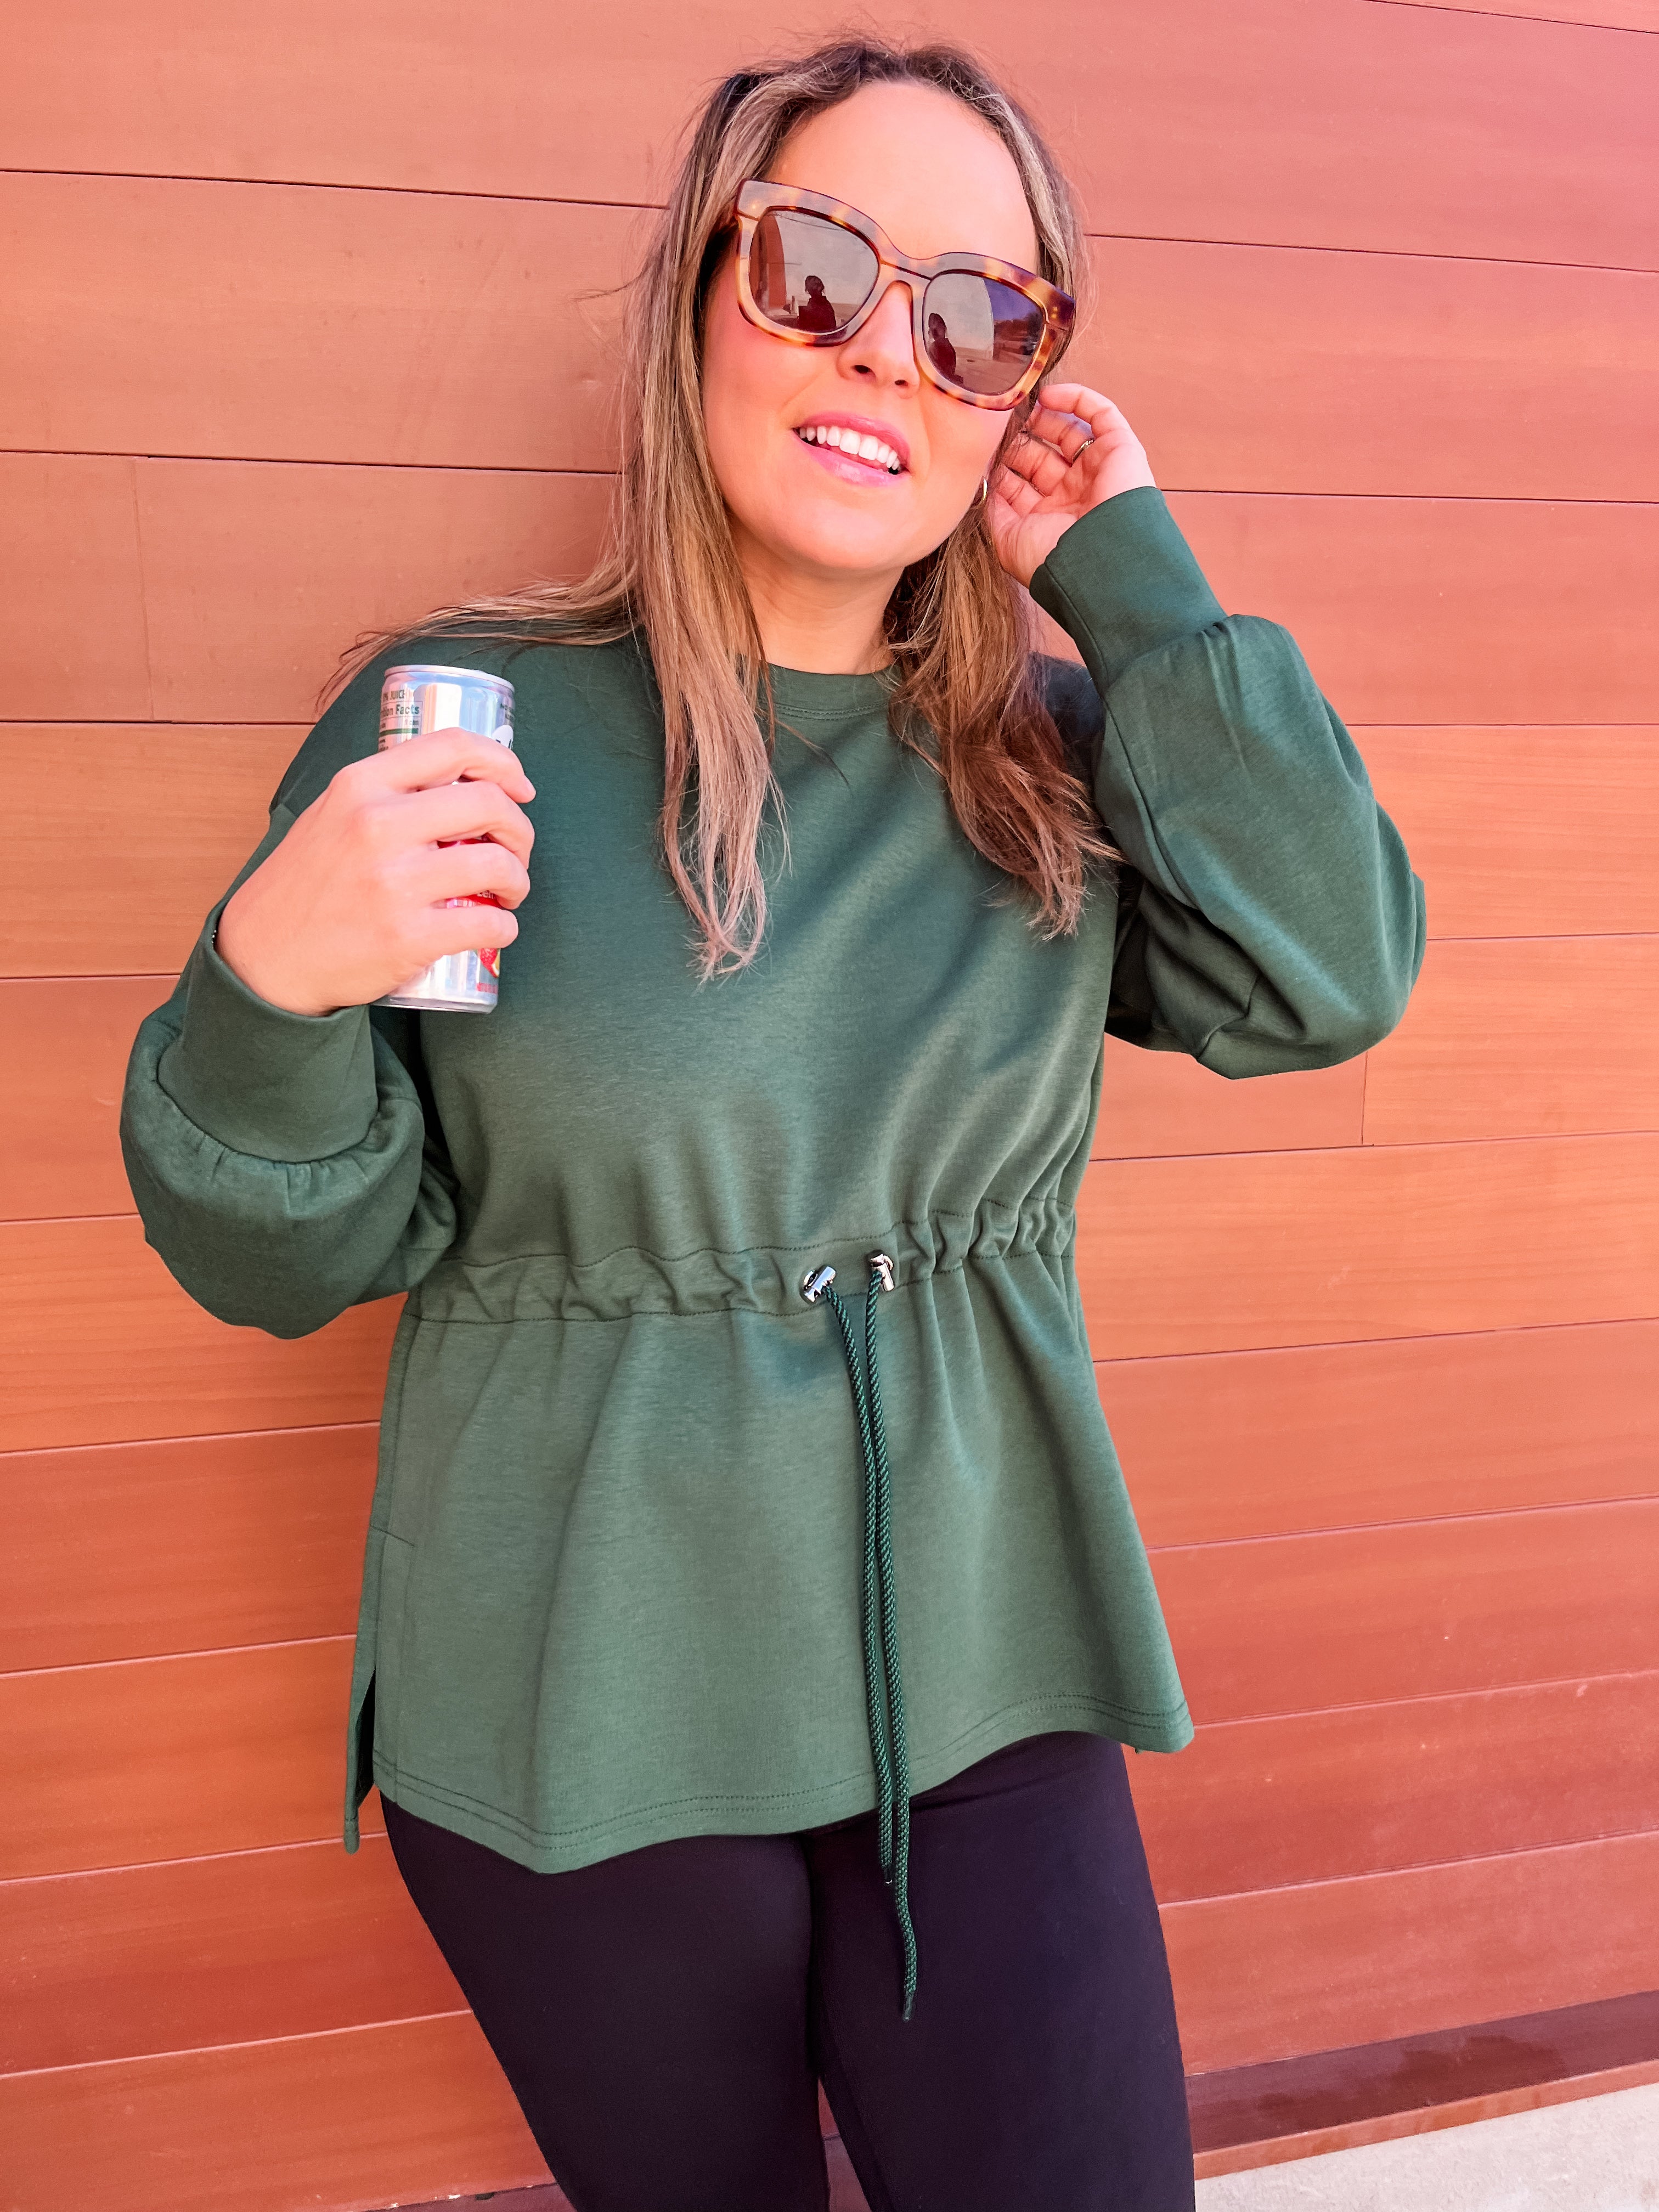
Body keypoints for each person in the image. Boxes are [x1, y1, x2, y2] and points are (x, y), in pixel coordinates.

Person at [121, 37, 1425, 2212]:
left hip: (986, 1658)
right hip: (583, 1685)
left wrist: (1132, 580)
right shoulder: (472, 722)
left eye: (980, 316)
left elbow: (1328, 973)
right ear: (703, 294)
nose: (889, 352)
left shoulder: (1051, 758)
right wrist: (268, 984)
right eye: (819, 265)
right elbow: (289, 1254)